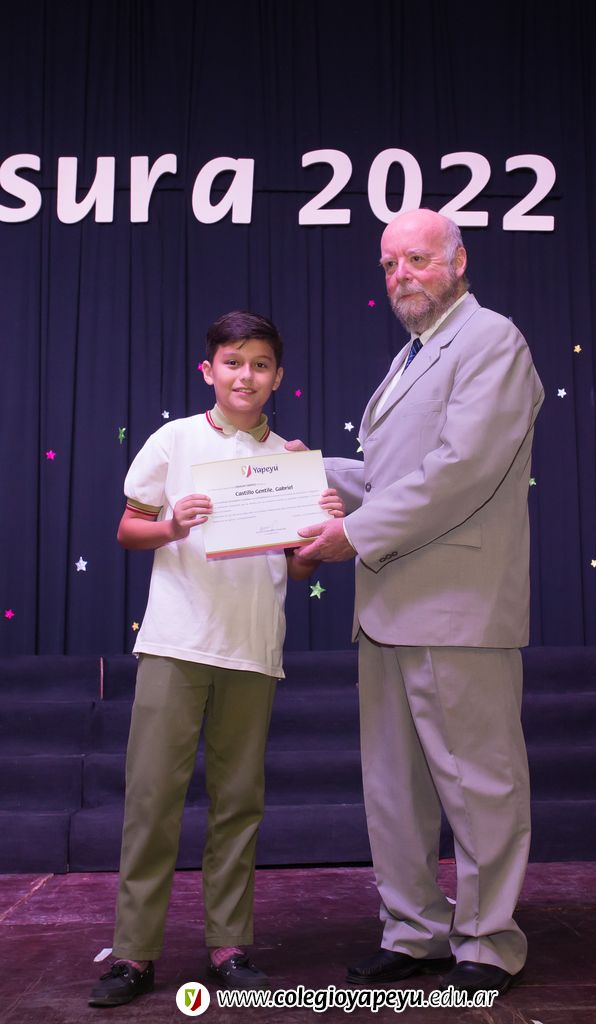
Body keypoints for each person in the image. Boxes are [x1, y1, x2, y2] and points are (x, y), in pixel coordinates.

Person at [288, 208, 544, 997]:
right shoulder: (411, 357)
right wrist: (307, 471)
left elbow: (460, 471)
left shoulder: (490, 340)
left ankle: (487, 942)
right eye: (390, 264)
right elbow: (392, 476)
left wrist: (352, 533)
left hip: (456, 605)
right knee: (394, 788)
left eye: (418, 260)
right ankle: (414, 932)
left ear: (458, 262)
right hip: (389, 605)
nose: (402, 275)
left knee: (478, 782)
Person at [89, 311, 343, 1008]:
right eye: (233, 362)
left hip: (253, 648)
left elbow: (297, 568)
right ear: (209, 371)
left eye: (260, 365)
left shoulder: (292, 460)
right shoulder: (174, 440)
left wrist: (322, 526)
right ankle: (134, 953)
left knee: (238, 801)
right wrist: (172, 524)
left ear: (278, 377)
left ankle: (229, 945)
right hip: (175, 642)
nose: (245, 376)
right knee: (152, 799)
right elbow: (127, 529)